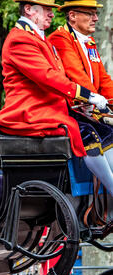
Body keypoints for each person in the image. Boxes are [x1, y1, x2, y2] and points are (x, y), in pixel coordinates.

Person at [0, 0, 112, 193]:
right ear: (29, 9)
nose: (51, 13)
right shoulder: (20, 39)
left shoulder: (39, 38)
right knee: (88, 134)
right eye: (47, 9)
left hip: (52, 109)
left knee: (105, 131)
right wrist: (87, 96)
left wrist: (81, 104)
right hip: (31, 113)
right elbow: (48, 77)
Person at [48, 0, 113, 193]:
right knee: (96, 135)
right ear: (72, 16)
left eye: (96, 14)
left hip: (90, 107)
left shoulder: (89, 42)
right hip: (70, 109)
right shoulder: (60, 38)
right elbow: (77, 75)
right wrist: (96, 103)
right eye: (90, 13)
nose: (95, 18)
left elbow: (103, 79)